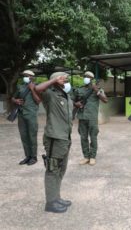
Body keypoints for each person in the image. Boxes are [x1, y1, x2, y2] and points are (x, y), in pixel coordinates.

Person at [35, 72, 73, 213]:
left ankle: (56, 197)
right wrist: (53, 81)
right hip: (54, 138)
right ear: (56, 81)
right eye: (64, 80)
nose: (67, 82)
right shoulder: (50, 94)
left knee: (61, 169)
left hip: (65, 138)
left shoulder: (66, 96)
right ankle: (50, 203)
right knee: (52, 170)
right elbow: (38, 89)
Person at [73, 71, 108, 166]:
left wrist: (97, 91)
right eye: (84, 76)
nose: (85, 78)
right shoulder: (79, 89)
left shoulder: (98, 89)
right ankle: (86, 157)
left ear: (92, 79)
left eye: (88, 77)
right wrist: (76, 104)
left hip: (92, 117)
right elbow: (73, 101)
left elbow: (105, 100)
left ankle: (92, 157)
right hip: (82, 117)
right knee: (83, 137)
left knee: (93, 137)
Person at [11, 70, 41, 165]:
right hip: (21, 114)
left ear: (32, 77)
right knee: (24, 136)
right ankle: (27, 156)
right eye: (24, 75)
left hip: (31, 115)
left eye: (27, 76)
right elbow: (12, 97)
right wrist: (16, 101)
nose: (25, 77)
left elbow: (38, 100)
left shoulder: (37, 87)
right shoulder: (20, 86)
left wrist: (32, 89)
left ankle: (34, 157)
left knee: (32, 136)